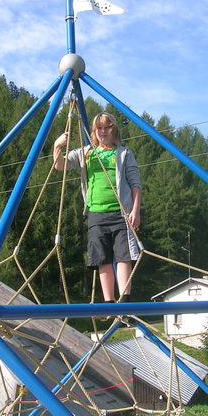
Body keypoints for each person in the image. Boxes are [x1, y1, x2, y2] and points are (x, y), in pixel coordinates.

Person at [53, 112, 141, 303]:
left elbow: (135, 183)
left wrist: (136, 210)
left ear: (113, 129)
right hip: (96, 213)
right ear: (94, 131)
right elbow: (60, 165)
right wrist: (57, 146)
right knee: (102, 258)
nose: (103, 131)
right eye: (99, 128)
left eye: (107, 127)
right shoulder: (86, 153)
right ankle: (109, 303)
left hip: (121, 211)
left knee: (124, 256)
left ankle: (124, 302)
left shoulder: (123, 153)